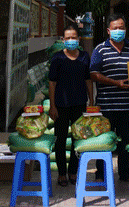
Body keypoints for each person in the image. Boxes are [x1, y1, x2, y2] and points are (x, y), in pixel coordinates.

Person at [90, 13, 129, 183]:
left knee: (126, 141)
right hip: (106, 105)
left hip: (127, 104)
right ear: (108, 30)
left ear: (126, 29)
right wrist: (115, 83)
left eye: (121, 27)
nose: (118, 30)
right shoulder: (100, 49)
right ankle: (101, 172)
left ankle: (125, 172)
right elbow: (94, 74)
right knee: (104, 140)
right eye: (115, 28)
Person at [48, 25, 94, 187]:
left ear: (79, 39)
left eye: (74, 37)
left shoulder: (84, 57)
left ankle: (73, 171)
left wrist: (92, 102)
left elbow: (88, 80)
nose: (71, 40)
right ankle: (61, 174)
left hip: (80, 104)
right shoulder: (57, 58)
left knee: (78, 139)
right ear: (63, 40)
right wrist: (52, 106)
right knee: (60, 140)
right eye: (67, 38)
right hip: (61, 105)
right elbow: (52, 83)